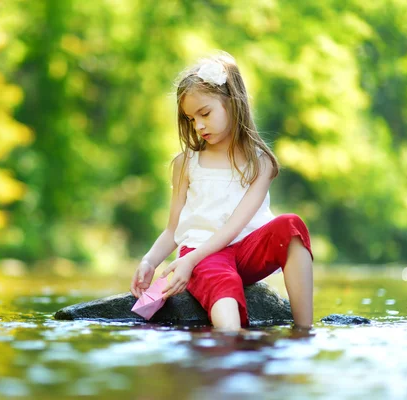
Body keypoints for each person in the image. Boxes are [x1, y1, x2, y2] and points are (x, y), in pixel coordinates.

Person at [129, 51, 314, 331]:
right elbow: (173, 229)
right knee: (224, 286)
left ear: (233, 103)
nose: (199, 125)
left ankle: (304, 331)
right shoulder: (185, 164)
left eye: (205, 113)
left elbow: (235, 225)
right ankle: (229, 347)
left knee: (292, 226)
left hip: (245, 250)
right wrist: (150, 261)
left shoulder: (260, 163)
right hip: (203, 254)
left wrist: (187, 261)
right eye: (191, 119)